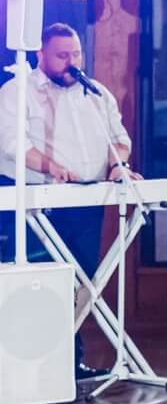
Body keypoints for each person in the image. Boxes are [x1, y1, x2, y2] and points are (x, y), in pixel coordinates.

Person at [0, 22, 139, 379]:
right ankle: (30, 370)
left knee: (82, 281)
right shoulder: (18, 91)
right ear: (40, 55)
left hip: (86, 202)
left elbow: (119, 138)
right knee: (41, 285)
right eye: (62, 56)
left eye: (76, 54)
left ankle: (68, 364)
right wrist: (51, 166)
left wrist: (117, 166)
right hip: (37, 204)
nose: (71, 62)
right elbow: (11, 144)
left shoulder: (95, 93)